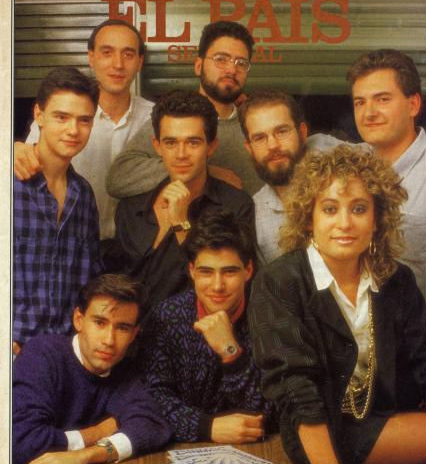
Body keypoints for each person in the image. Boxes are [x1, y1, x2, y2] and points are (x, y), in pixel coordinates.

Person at [249, 145, 426, 464]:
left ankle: (410, 462)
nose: (344, 223)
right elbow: (297, 390)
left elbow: (425, 365)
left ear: (378, 218)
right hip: (318, 435)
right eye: (330, 209)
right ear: (309, 218)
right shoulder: (280, 282)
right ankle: (411, 460)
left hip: (387, 419)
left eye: (359, 209)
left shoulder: (397, 280)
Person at [13, 274, 171, 464]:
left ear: (134, 334)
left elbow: (153, 426)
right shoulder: (42, 354)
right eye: (99, 322)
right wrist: (97, 433)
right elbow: (22, 441)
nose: (109, 340)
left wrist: (86, 455)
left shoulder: (124, 370)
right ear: (79, 320)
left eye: (122, 328)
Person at [114, 89, 254, 322]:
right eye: (170, 142)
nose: (181, 154)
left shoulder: (235, 206)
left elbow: (226, 290)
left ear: (211, 146)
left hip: (194, 335)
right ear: (157, 146)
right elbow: (117, 282)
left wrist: (181, 224)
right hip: (129, 336)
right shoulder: (130, 208)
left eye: (193, 142)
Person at [14, 19, 153, 243]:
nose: (118, 64)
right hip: (72, 240)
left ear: (140, 62)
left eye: (128, 54)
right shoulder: (66, 113)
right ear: (91, 57)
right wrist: (13, 150)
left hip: (134, 248)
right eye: (107, 52)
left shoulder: (154, 119)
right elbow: (27, 158)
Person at [144, 210, 275, 444]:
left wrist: (231, 352)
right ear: (192, 271)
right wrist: (206, 427)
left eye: (229, 272)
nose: (217, 286)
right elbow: (152, 399)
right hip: (179, 448)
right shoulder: (167, 316)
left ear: (248, 271)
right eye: (206, 272)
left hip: (258, 448)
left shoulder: (270, 317)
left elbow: (270, 411)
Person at [106, 20, 263, 198]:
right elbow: (117, 178)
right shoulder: (174, 119)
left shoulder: (255, 125)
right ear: (198, 66)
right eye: (221, 59)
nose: (232, 69)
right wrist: (203, 171)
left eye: (241, 63)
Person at [13, 67, 103, 353]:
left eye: (84, 120)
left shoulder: (84, 194)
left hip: (66, 353)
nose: (73, 130)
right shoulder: (9, 183)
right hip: (14, 352)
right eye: (61, 117)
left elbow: (91, 280)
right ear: (38, 115)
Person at [347, 49, 426, 317]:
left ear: (413, 105)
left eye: (382, 99)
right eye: (360, 102)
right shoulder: (349, 165)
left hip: (424, 331)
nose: (368, 113)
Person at [238, 90, 341, 264]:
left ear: (302, 133)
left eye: (281, 132)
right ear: (249, 148)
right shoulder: (254, 214)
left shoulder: (339, 168)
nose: (273, 145)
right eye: (260, 138)